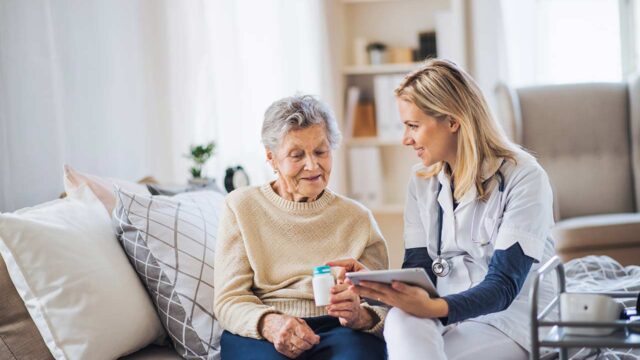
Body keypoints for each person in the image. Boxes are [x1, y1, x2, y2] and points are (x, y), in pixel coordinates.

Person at [330, 59, 557, 360]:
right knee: (399, 320)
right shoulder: (421, 181)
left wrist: (433, 308)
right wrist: (375, 283)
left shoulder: (524, 177)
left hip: (510, 319)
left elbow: (503, 287)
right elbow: (422, 273)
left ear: (452, 121)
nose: (405, 139)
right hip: (447, 311)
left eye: (413, 126)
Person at [213, 94, 389, 360]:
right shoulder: (241, 206)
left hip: (338, 328)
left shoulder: (357, 218)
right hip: (265, 326)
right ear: (271, 158)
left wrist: (361, 315)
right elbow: (229, 300)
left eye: (321, 151)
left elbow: (384, 304)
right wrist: (270, 324)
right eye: (297, 155)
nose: (312, 165)